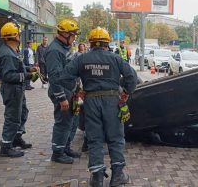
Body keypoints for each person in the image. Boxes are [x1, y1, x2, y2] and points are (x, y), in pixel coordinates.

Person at [61, 27, 138, 187]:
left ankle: (97, 177)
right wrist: (126, 92)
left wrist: (77, 90)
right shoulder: (115, 58)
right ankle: (117, 175)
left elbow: (65, 76)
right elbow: (132, 76)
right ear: (107, 43)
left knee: (94, 139)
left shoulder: (82, 58)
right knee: (115, 138)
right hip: (111, 101)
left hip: (91, 101)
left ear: (90, 43)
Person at [0, 22, 35, 158]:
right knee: (12, 117)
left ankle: (16, 137)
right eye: (18, 34)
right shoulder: (7, 54)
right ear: (13, 36)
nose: (20, 36)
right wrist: (28, 75)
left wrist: (29, 69)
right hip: (12, 90)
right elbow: (8, 75)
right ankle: (6, 146)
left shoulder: (13, 50)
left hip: (18, 89)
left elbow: (17, 67)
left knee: (23, 113)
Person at [45, 19, 81, 164]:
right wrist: (61, 98)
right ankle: (58, 153)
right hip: (62, 92)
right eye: (73, 35)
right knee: (63, 122)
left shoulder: (64, 47)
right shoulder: (54, 50)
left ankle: (65, 147)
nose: (74, 38)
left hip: (69, 90)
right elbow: (54, 77)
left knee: (71, 120)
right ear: (65, 34)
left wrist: (76, 88)